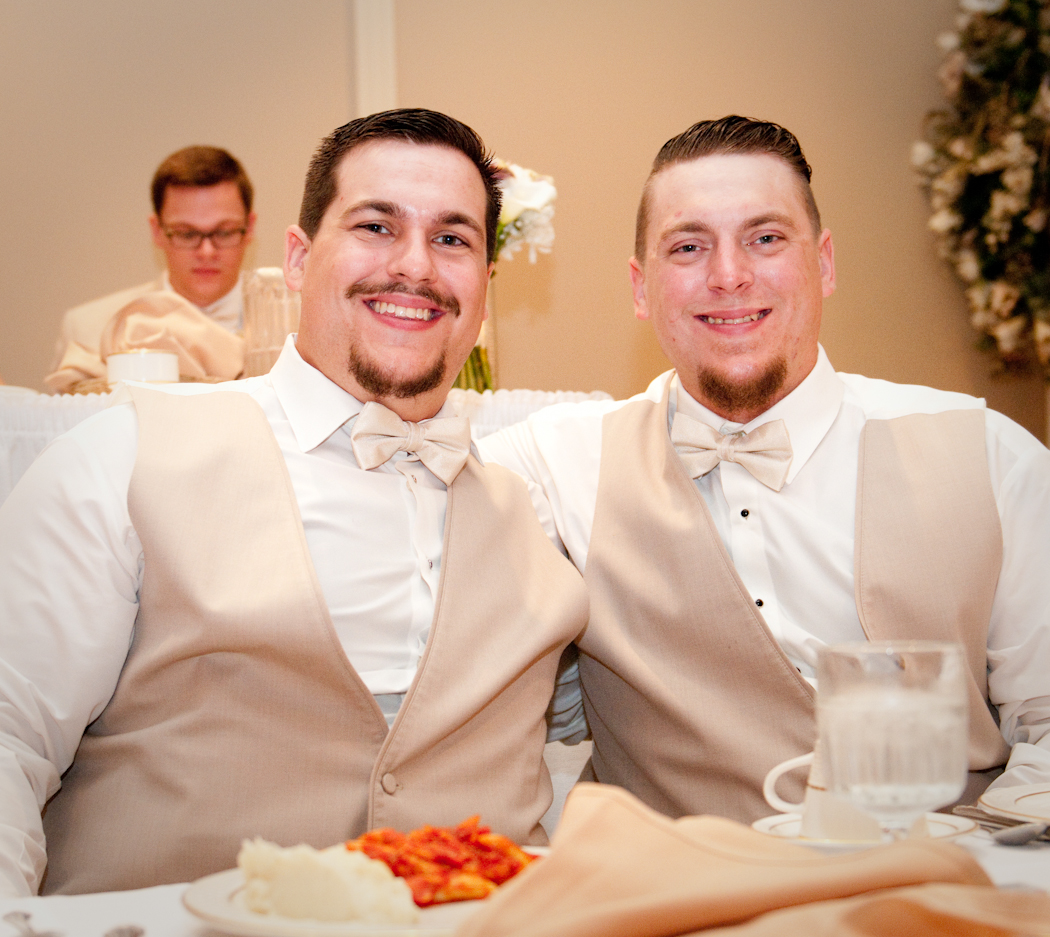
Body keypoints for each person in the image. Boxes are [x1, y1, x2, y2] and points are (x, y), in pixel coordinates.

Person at [0, 109, 587, 897]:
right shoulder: (124, 458)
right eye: (376, 226)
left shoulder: (536, 510)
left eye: (453, 238)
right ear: (299, 259)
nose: (415, 264)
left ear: (485, 285)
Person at [479, 116, 1050, 824]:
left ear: (825, 264)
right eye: (688, 247)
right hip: (689, 886)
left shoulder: (991, 457)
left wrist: (977, 860)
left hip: (943, 877)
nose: (729, 275)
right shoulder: (553, 465)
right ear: (640, 287)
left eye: (766, 238)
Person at [45, 145, 256, 392]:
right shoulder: (87, 328)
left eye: (224, 232)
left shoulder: (289, 326)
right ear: (157, 231)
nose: (207, 252)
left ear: (250, 228)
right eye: (186, 234)